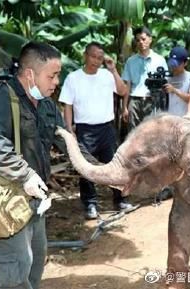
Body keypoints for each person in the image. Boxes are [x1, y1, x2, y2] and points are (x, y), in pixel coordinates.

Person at [0, 42, 93, 289]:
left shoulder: (48, 105)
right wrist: (26, 175)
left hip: (34, 204)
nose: (56, 82)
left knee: (34, 264)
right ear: (30, 74)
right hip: (6, 202)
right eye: (51, 75)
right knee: (14, 275)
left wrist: (102, 171)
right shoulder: (2, 96)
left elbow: (67, 142)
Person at [59, 42, 136, 219]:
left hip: (107, 128)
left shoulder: (107, 76)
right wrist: (69, 129)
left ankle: (121, 200)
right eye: (93, 56)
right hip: (85, 129)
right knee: (87, 167)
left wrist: (113, 70)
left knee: (115, 164)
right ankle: (90, 204)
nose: (96, 60)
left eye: (100, 58)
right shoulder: (73, 78)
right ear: (85, 56)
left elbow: (123, 91)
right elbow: (68, 105)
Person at [122, 27, 168, 128]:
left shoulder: (160, 60)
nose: (141, 42)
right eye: (138, 40)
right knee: (133, 133)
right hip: (134, 101)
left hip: (152, 100)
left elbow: (165, 84)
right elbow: (127, 85)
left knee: (151, 132)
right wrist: (125, 107)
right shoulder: (130, 61)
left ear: (150, 39)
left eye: (143, 39)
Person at [164, 46, 190, 116]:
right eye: (172, 64)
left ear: (185, 63)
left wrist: (174, 90)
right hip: (168, 119)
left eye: (177, 64)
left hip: (183, 118)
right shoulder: (166, 78)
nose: (174, 67)